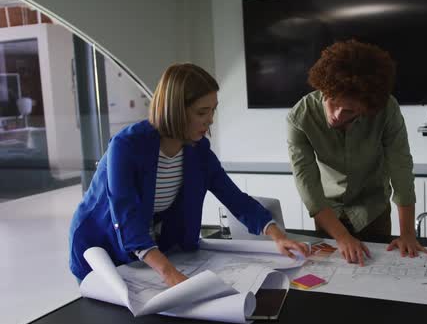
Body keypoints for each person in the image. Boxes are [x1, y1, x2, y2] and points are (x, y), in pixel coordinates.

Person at [70, 63, 309, 286]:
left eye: (213, 110)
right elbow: (126, 216)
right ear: (175, 110)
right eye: (202, 112)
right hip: (102, 245)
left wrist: (277, 236)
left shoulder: (198, 149)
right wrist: (169, 272)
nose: (210, 120)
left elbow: (235, 198)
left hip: (147, 249)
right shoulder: (126, 146)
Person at [286, 40, 427, 266]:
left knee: (379, 272)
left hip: (373, 209)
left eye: (350, 110)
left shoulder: (386, 110)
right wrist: (342, 238)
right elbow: (308, 186)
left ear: (367, 107)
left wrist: (408, 234)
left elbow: (401, 169)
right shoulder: (300, 117)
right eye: (332, 102)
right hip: (327, 212)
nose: (337, 115)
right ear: (324, 88)